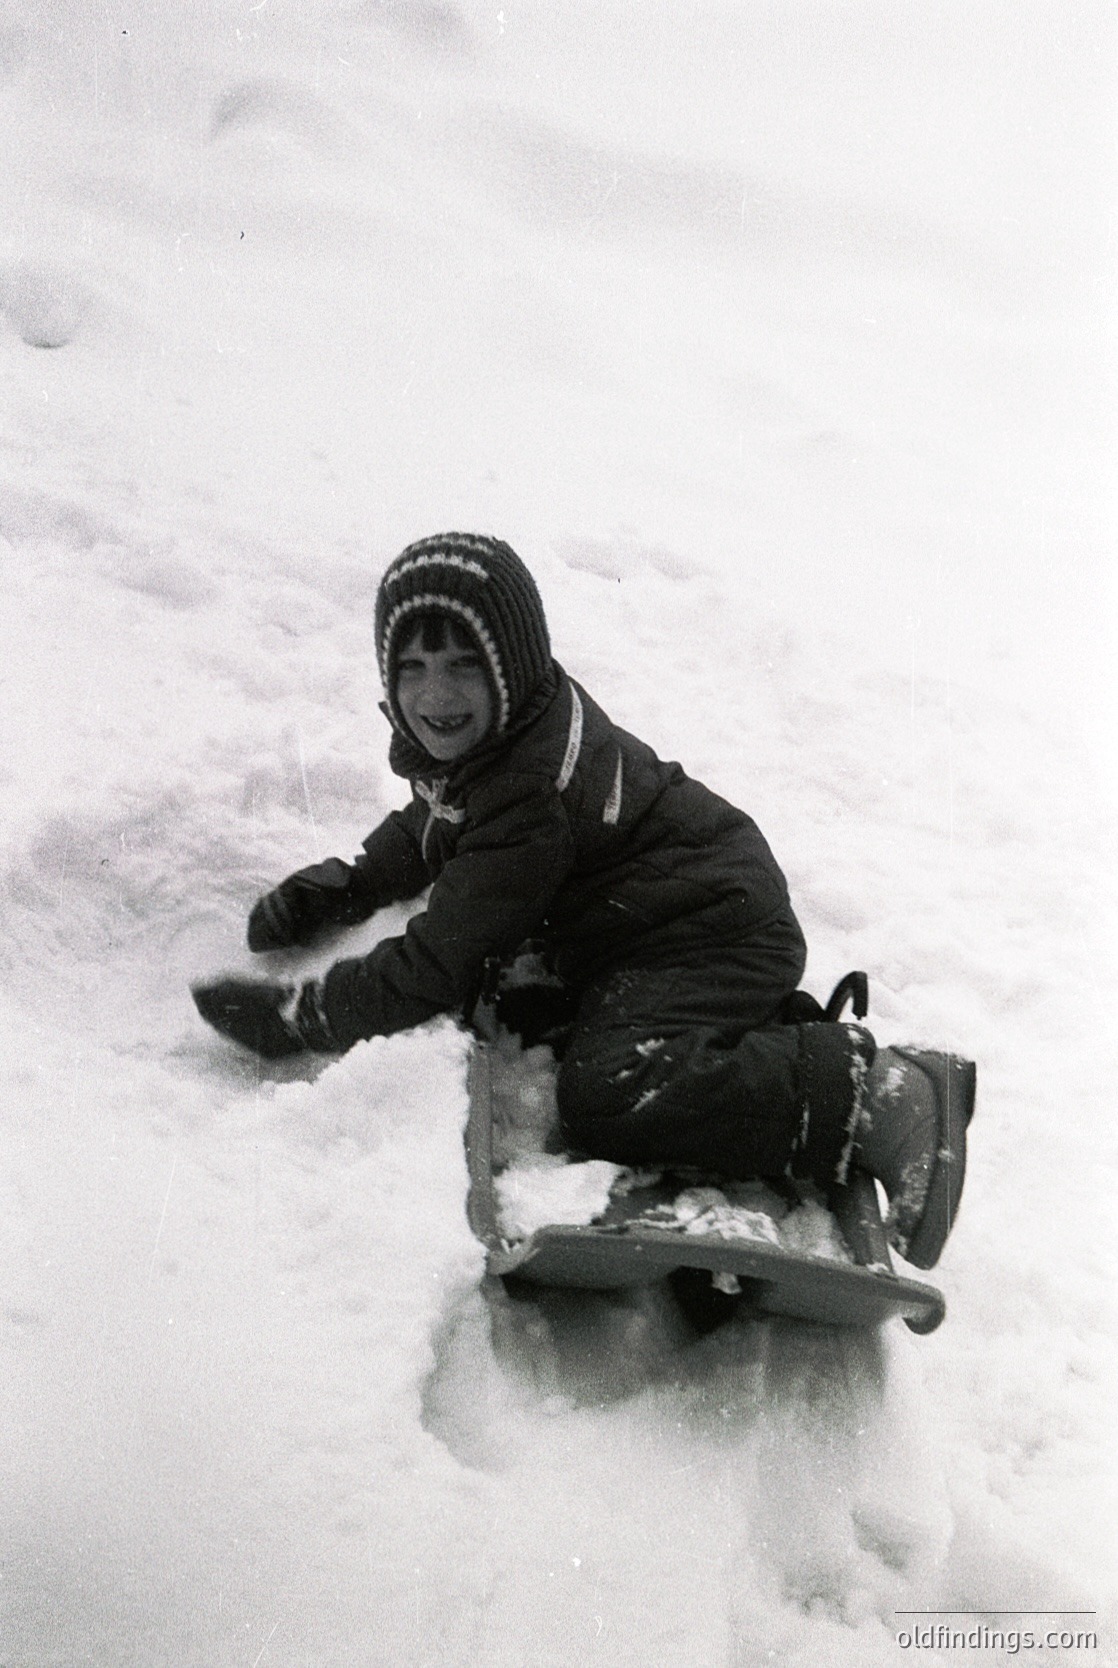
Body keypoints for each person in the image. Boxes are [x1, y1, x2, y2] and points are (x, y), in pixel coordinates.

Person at [193, 532, 975, 1270]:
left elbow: (435, 962)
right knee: (533, 1005)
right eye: (414, 667)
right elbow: (440, 818)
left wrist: (306, 1016)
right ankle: (749, 1040)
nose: (436, 694)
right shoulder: (505, 737)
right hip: (662, 914)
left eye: (465, 665)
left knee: (609, 1091)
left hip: (707, 928)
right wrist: (353, 884)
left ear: (511, 668)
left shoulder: (527, 792)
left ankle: (881, 1095)